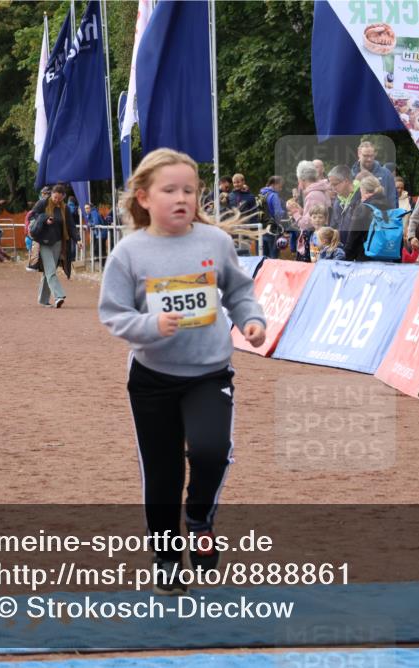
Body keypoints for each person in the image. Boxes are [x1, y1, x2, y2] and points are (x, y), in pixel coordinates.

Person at [98, 148, 266, 595]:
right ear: (143, 197)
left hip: (209, 372)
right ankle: (167, 559)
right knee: (163, 472)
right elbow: (113, 314)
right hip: (153, 378)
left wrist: (251, 321)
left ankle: (199, 520)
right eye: (170, 190)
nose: (181, 198)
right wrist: (150, 326)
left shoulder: (215, 243)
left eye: (189, 190)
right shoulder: (128, 253)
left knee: (212, 450)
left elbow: (239, 292)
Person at [30, 184, 80, 308]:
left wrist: (78, 240)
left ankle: (43, 300)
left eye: (59, 198)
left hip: (58, 243)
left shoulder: (65, 208)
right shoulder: (43, 203)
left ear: (63, 197)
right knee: (51, 270)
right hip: (44, 242)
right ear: (51, 194)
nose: (56, 200)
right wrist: (45, 219)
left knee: (48, 271)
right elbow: (33, 215)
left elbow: (71, 226)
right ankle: (59, 296)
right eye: (55, 197)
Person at [290, 161, 333, 262]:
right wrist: (301, 211)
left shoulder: (313, 195)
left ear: (302, 179)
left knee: (310, 268)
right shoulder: (318, 191)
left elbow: (307, 223)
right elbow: (314, 214)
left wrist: (295, 213)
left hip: (314, 240)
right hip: (318, 238)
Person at [345, 175, 392, 262]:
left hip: (366, 259)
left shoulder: (363, 208)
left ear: (364, 191)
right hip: (387, 257)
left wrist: (345, 259)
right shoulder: (389, 206)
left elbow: (353, 238)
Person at [350, 140, 397, 207]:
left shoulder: (386, 174)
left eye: (371, 156)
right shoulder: (351, 176)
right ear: (359, 153)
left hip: (383, 213)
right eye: (366, 156)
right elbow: (347, 203)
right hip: (358, 213)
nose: (369, 159)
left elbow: (393, 201)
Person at [329, 165, 360, 240]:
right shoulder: (338, 200)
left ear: (346, 181)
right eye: (331, 185)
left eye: (335, 184)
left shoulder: (362, 197)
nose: (332, 188)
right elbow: (334, 226)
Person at [257, 176, 286, 259]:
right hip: (272, 229)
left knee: (262, 257)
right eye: (280, 186)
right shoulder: (274, 195)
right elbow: (278, 213)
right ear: (274, 184)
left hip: (261, 229)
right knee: (273, 257)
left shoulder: (261, 194)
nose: (280, 189)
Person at [84, 202, 108, 267]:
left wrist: (89, 224)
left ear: (91, 208)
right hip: (99, 233)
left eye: (87, 208)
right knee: (101, 249)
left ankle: (102, 263)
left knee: (97, 249)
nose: (86, 210)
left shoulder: (93, 213)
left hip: (101, 233)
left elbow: (96, 223)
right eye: (85, 208)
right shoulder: (91, 213)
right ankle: (103, 264)